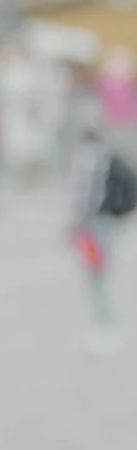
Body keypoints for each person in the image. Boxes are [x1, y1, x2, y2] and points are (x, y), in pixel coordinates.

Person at [66, 111, 137, 356]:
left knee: (96, 277)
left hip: (92, 225)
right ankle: (104, 326)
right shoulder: (106, 154)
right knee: (100, 274)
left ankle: (105, 326)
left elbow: (87, 195)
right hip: (106, 223)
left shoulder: (86, 157)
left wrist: (76, 223)